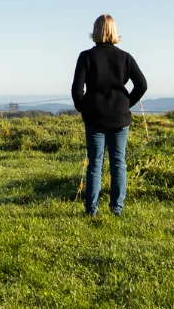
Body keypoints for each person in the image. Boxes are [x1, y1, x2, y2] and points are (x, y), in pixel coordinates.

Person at [70, 14, 147, 217]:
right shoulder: (125, 57)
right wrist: (126, 104)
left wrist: (84, 108)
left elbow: (77, 90)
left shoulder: (86, 57)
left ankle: (91, 210)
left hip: (94, 117)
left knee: (95, 164)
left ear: (95, 31)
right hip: (120, 117)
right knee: (118, 163)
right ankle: (117, 209)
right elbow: (142, 85)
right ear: (114, 31)